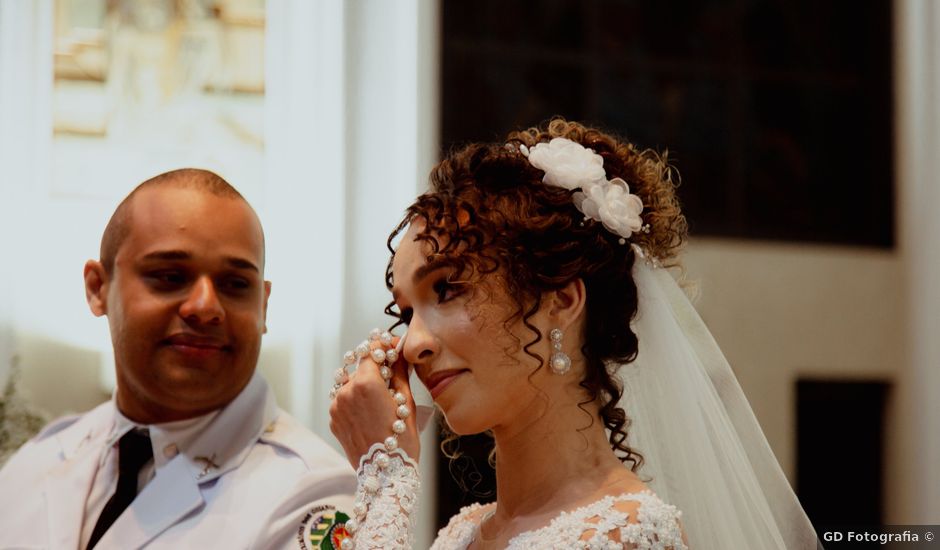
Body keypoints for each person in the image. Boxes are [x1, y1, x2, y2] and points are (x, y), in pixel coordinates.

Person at [329, 120, 820, 549]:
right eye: (406, 310)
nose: (413, 345)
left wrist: (387, 478)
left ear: (561, 301)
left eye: (449, 288)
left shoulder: (622, 537)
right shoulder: (464, 533)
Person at [0, 169, 356, 549]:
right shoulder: (36, 460)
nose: (205, 307)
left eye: (235, 284)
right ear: (97, 288)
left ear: (263, 306)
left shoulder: (312, 497)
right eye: (170, 276)